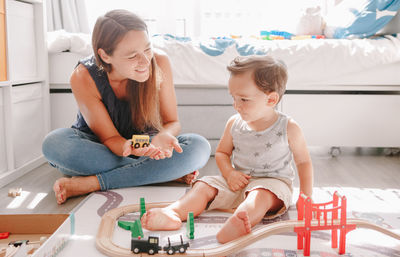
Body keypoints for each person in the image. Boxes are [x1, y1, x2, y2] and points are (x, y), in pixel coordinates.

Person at [42, 10, 211, 204]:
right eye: (132, 56)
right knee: (54, 144)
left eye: (148, 49)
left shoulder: (160, 61)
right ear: (105, 56)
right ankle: (160, 173)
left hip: (150, 145)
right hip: (101, 146)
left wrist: (163, 135)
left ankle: (93, 183)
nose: (146, 61)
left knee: (199, 147)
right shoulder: (82, 76)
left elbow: (172, 122)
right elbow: (110, 138)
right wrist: (126, 147)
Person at [141, 55, 313, 243]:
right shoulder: (234, 123)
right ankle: (173, 213)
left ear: (271, 99)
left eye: (244, 100)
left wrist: (306, 197)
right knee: (204, 185)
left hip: (272, 185)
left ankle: (240, 222)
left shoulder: (288, 127)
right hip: (236, 182)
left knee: (259, 196)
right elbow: (222, 153)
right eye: (234, 98)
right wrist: (229, 173)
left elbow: (303, 162)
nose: (236, 105)